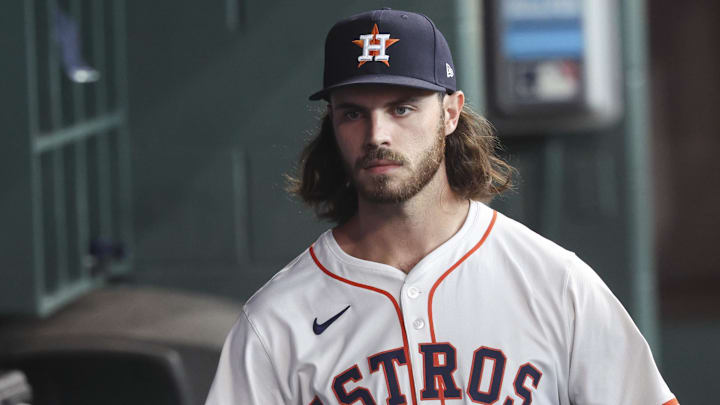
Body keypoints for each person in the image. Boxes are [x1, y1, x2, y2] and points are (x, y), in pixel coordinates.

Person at [205, 8, 678, 405]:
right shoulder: (276, 320)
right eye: (353, 113)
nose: (377, 136)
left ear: (450, 112)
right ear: (333, 123)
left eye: (402, 107)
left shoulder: (556, 283)